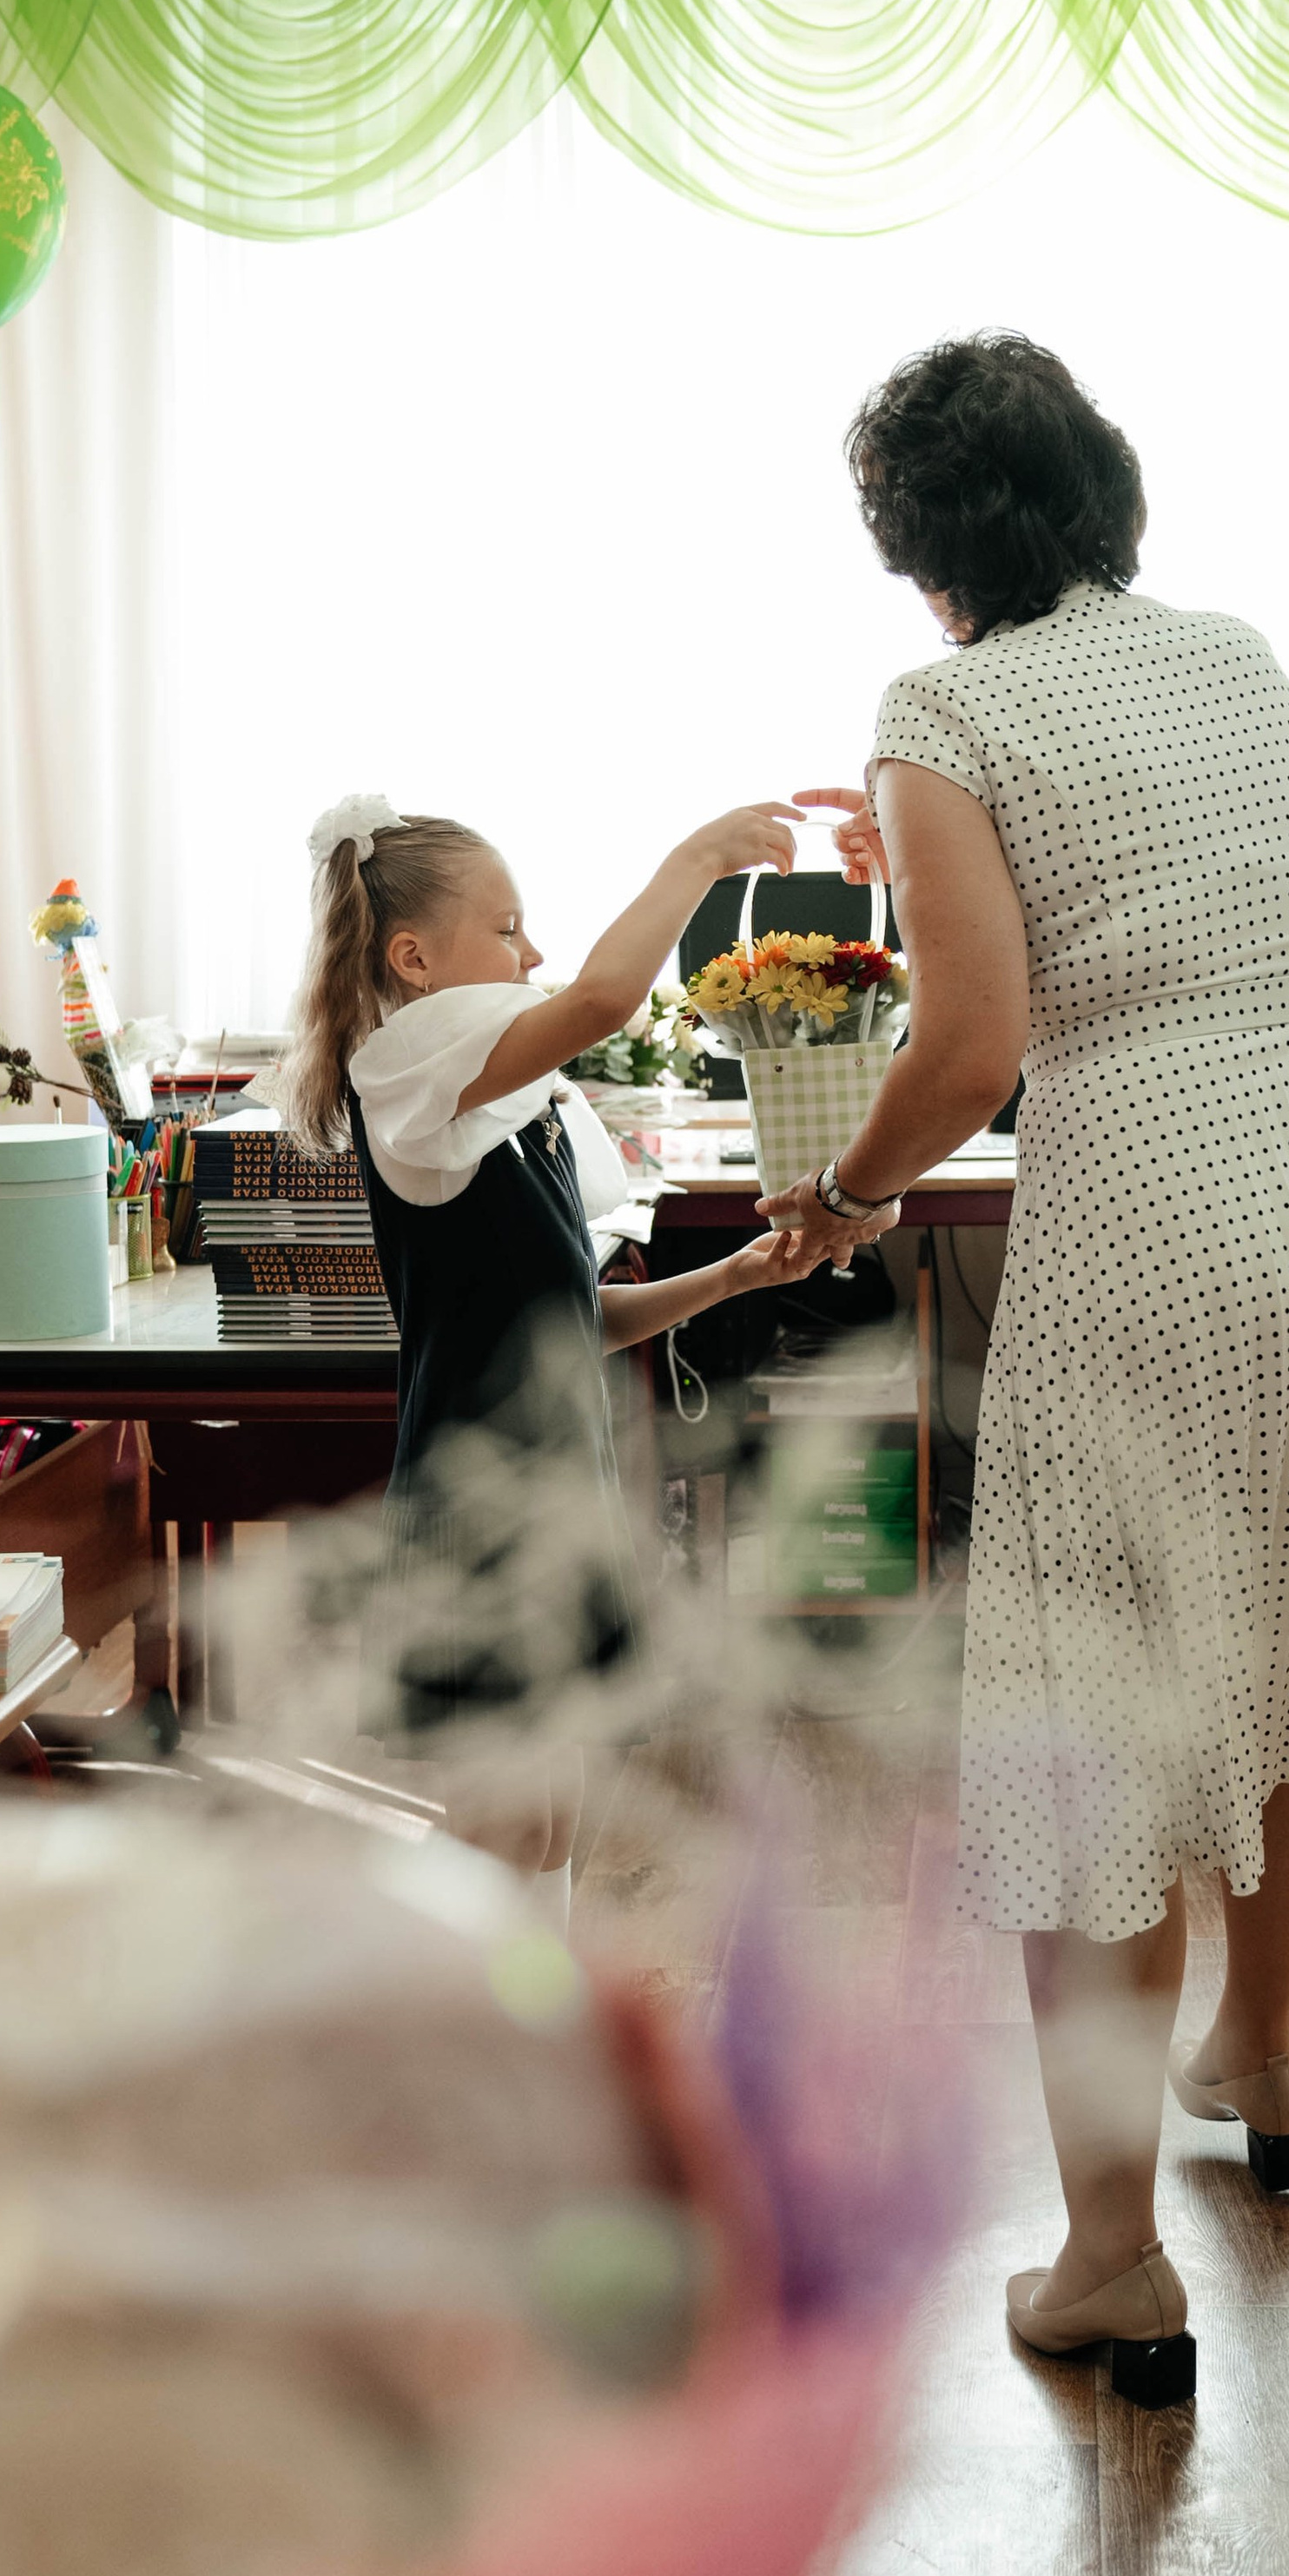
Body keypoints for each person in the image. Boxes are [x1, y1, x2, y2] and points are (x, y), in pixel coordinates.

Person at [767, 334, 1289, 2402]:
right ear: (1105, 492)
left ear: (918, 553)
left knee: (1084, 1725)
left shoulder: (942, 701)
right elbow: (1151, 890)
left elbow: (978, 1040)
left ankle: (1107, 2262)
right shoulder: (1235, 655)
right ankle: (1252, 2056)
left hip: (1164, 1208)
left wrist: (844, 1188)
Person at [286, 789, 813, 1921]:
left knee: (557, 1807)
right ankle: (438, 2035)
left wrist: (732, 1277)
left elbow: (576, 1314)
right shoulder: (412, 1079)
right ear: (414, 959)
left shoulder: (509, 1114)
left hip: (558, 1486)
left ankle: (539, 2036)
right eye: (509, 927)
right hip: (481, 1499)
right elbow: (605, 995)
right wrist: (696, 858)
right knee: (505, 1816)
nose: (536, 952)